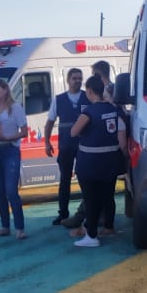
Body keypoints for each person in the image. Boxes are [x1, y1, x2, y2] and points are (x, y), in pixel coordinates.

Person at [70, 74, 127, 247]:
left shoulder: (89, 112)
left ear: (89, 91)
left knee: (91, 199)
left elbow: (73, 132)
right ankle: (109, 227)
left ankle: (91, 235)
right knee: (108, 196)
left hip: (89, 164)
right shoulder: (115, 111)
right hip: (110, 163)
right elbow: (122, 141)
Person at [43, 68, 87, 226]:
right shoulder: (59, 99)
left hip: (84, 147)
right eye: (74, 78)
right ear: (68, 80)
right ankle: (63, 214)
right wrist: (47, 142)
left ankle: (87, 212)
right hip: (66, 146)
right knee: (65, 180)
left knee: (85, 180)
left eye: (80, 78)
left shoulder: (87, 97)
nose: (77, 80)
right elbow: (49, 122)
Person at [0, 77, 28, 240]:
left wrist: (9, 137)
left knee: (11, 189)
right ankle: (5, 225)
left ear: (5, 90)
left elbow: (24, 131)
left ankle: (19, 227)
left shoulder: (15, 108)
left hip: (10, 149)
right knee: (0, 191)